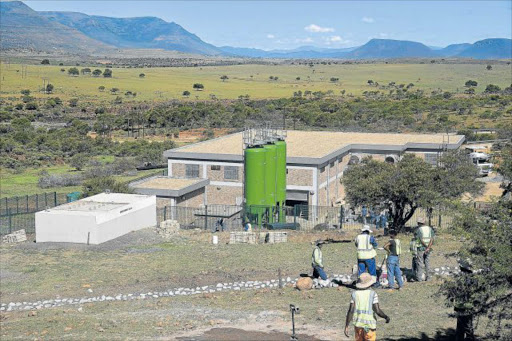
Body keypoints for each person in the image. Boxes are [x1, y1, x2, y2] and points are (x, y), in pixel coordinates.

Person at [344, 273, 391, 341]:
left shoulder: (354, 294)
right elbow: (377, 310)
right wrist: (386, 317)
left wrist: (346, 326)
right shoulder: (373, 294)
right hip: (369, 326)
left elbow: (351, 311)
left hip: (358, 325)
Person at [454, 259, 476, 341]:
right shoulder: (472, 277)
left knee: (460, 326)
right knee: (468, 326)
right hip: (469, 305)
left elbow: (455, 291)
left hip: (460, 305)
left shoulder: (459, 277)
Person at [414, 217, 434, 282]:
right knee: (427, 263)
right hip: (428, 248)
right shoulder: (430, 229)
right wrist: (428, 247)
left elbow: (420, 239)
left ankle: (419, 278)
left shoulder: (418, 230)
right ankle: (428, 278)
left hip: (421, 248)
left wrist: (425, 246)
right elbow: (432, 239)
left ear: (419, 223)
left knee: (420, 262)